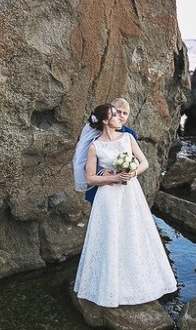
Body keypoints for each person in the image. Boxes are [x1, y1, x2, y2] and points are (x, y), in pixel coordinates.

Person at [73, 103, 177, 308]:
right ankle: (109, 287)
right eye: (115, 115)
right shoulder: (95, 146)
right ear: (105, 121)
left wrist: (132, 173)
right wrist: (111, 178)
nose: (120, 118)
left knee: (134, 233)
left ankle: (139, 281)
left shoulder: (128, 138)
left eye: (121, 114)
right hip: (108, 197)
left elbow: (144, 163)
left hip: (130, 193)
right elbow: (90, 178)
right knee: (110, 236)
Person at [73, 98, 137, 203]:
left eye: (125, 113)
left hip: (123, 184)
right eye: (117, 112)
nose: (121, 116)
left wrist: (129, 169)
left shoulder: (129, 134)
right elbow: (82, 158)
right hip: (100, 184)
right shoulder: (95, 132)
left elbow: (134, 158)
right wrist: (101, 171)